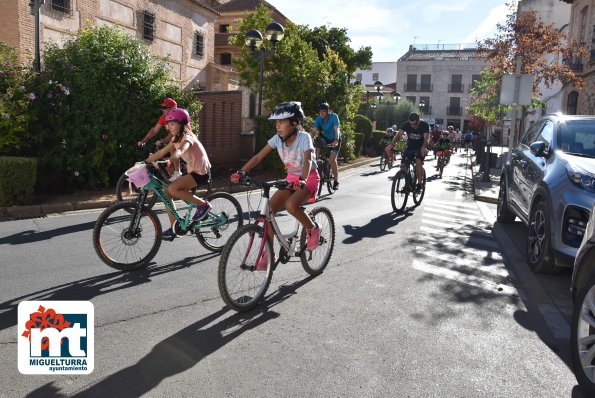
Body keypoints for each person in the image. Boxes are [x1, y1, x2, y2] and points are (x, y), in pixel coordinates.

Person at [231, 101, 321, 268]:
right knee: (268, 211)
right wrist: (242, 172)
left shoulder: (304, 138)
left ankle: (313, 228)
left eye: (282, 122)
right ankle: (268, 253)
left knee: (290, 205)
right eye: (276, 123)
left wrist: (302, 179)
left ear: (294, 123)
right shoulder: (277, 140)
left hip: (308, 178)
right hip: (291, 179)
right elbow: (259, 157)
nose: (277, 126)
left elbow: (308, 159)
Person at [145, 108, 212, 240]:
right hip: (193, 172)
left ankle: (203, 204)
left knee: (172, 188)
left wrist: (173, 158)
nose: (169, 127)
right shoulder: (176, 138)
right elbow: (160, 153)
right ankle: (175, 226)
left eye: (173, 124)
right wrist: (143, 162)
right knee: (167, 193)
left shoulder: (188, 137)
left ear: (181, 124)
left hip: (202, 173)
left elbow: (181, 150)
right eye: (168, 125)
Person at [138, 98, 183, 182]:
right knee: (161, 158)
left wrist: (164, 141)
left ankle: (178, 171)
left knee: (172, 147)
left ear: (173, 108)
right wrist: (144, 140)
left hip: (182, 139)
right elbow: (155, 130)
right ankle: (170, 176)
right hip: (174, 138)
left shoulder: (177, 116)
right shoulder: (163, 117)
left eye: (165, 107)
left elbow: (174, 133)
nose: (162, 109)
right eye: (162, 107)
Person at [386, 112, 429, 192]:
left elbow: (426, 139)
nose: (412, 126)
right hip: (410, 147)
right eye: (411, 124)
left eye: (414, 124)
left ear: (418, 121)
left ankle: (419, 184)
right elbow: (398, 135)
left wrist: (423, 147)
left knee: (418, 162)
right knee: (403, 165)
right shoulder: (406, 124)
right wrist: (392, 145)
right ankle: (408, 184)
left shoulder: (424, 125)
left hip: (421, 147)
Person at [312, 102, 341, 190]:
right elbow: (314, 132)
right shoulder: (319, 118)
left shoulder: (334, 116)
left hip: (335, 138)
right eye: (320, 112)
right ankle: (318, 160)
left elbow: (337, 129)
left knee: (332, 160)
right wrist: (308, 141)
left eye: (323, 112)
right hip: (326, 138)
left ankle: (336, 181)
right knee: (318, 141)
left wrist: (336, 140)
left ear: (328, 111)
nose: (321, 113)